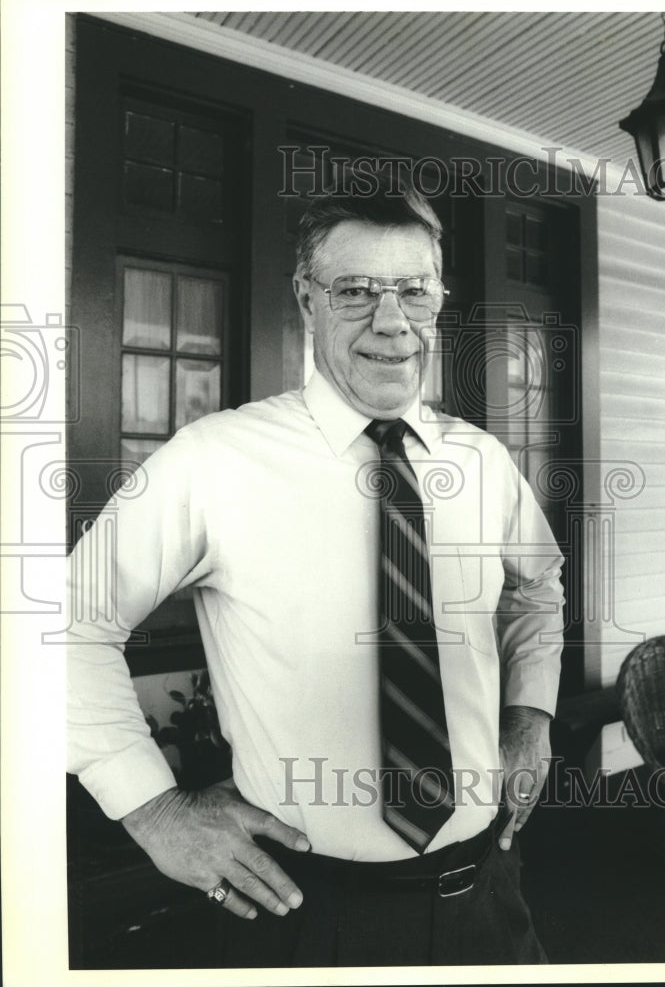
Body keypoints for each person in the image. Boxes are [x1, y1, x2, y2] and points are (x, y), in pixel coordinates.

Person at [66, 177, 565, 967]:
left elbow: (538, 585)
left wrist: (530, 713)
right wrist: (152, 808)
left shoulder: (481, 460)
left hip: (487, 899)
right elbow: (64, 622)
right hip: (303, 916)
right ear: (307, 299)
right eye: (357, 291)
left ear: (440, 298)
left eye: (414, 290)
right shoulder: (214, 460)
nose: (392, 322)